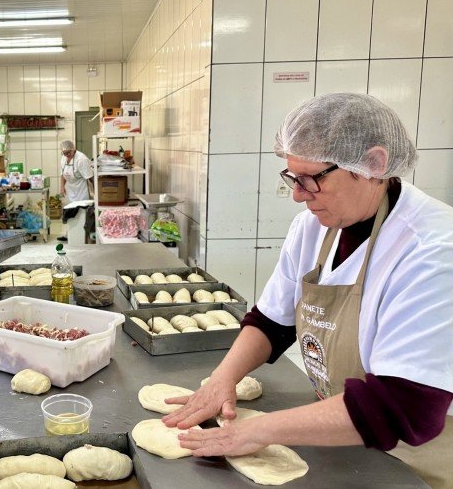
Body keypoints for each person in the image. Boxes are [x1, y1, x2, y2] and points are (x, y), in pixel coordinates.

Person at [163, 93, 452, 487]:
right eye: (292, 178)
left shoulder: (433, 249)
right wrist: (221, 380)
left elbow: (405, 407)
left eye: (312, 178)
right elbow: (272, 320)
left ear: (374, 165)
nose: (298, 194)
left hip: (413, 456)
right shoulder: (314, 226)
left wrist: (255, 431)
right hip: (338, 433)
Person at [58, 140, 94, 241]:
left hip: (81, 190)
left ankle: (82, 235)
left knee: (81, 213)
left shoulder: (81, 159)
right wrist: (62, 187)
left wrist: (95, 192)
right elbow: (63, 174)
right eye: (64, 153)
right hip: (70, 189)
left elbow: (90, 177)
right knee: (70, 212)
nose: (67, 155)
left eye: (69, 153)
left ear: (73, 149)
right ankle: (69, 234)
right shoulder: (64, 158)